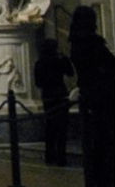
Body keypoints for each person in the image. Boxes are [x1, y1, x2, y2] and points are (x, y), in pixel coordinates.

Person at [68, 6, 115, 187]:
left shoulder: (75, 42)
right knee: (104, 144)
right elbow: (111, 64)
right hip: (102, 98)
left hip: (87, 96)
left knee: (92, 145)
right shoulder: (91, 42)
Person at [34, 38, 74, 166]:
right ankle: (61, 157)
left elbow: (38, 83)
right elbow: (70, 72)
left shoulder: (39, 63)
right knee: (62, 129)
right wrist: (65, 58)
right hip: (60, 95)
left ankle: (50, 155)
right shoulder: (59, 61)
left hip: (48, 96)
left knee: (50, 128)